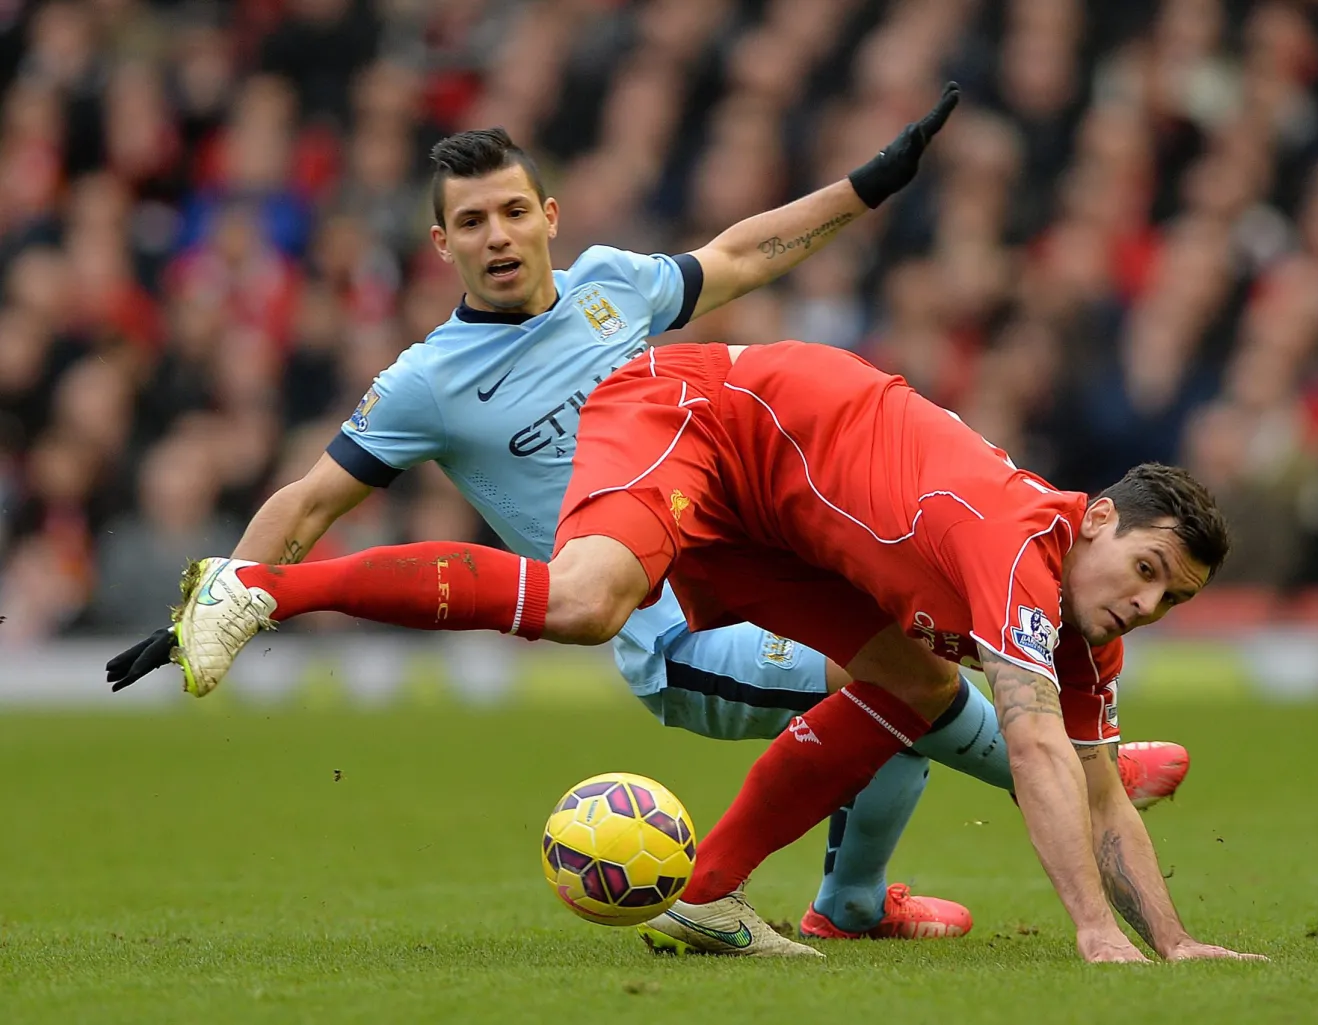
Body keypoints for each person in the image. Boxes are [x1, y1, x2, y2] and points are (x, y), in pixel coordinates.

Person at [108, 108, 1190, 949]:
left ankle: (855, 901)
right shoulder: (424, 383)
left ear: (549, 214)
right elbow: (306, 500)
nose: (497, 235)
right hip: (666, 631)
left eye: (512, 212)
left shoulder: (612, 291)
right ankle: (1029, 778)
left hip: (735, 550)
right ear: (440, 243)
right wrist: (232, 586)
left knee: (908, 657)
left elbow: (745, 256)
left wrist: (863, 189)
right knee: (911, 687)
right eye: (471, 221)